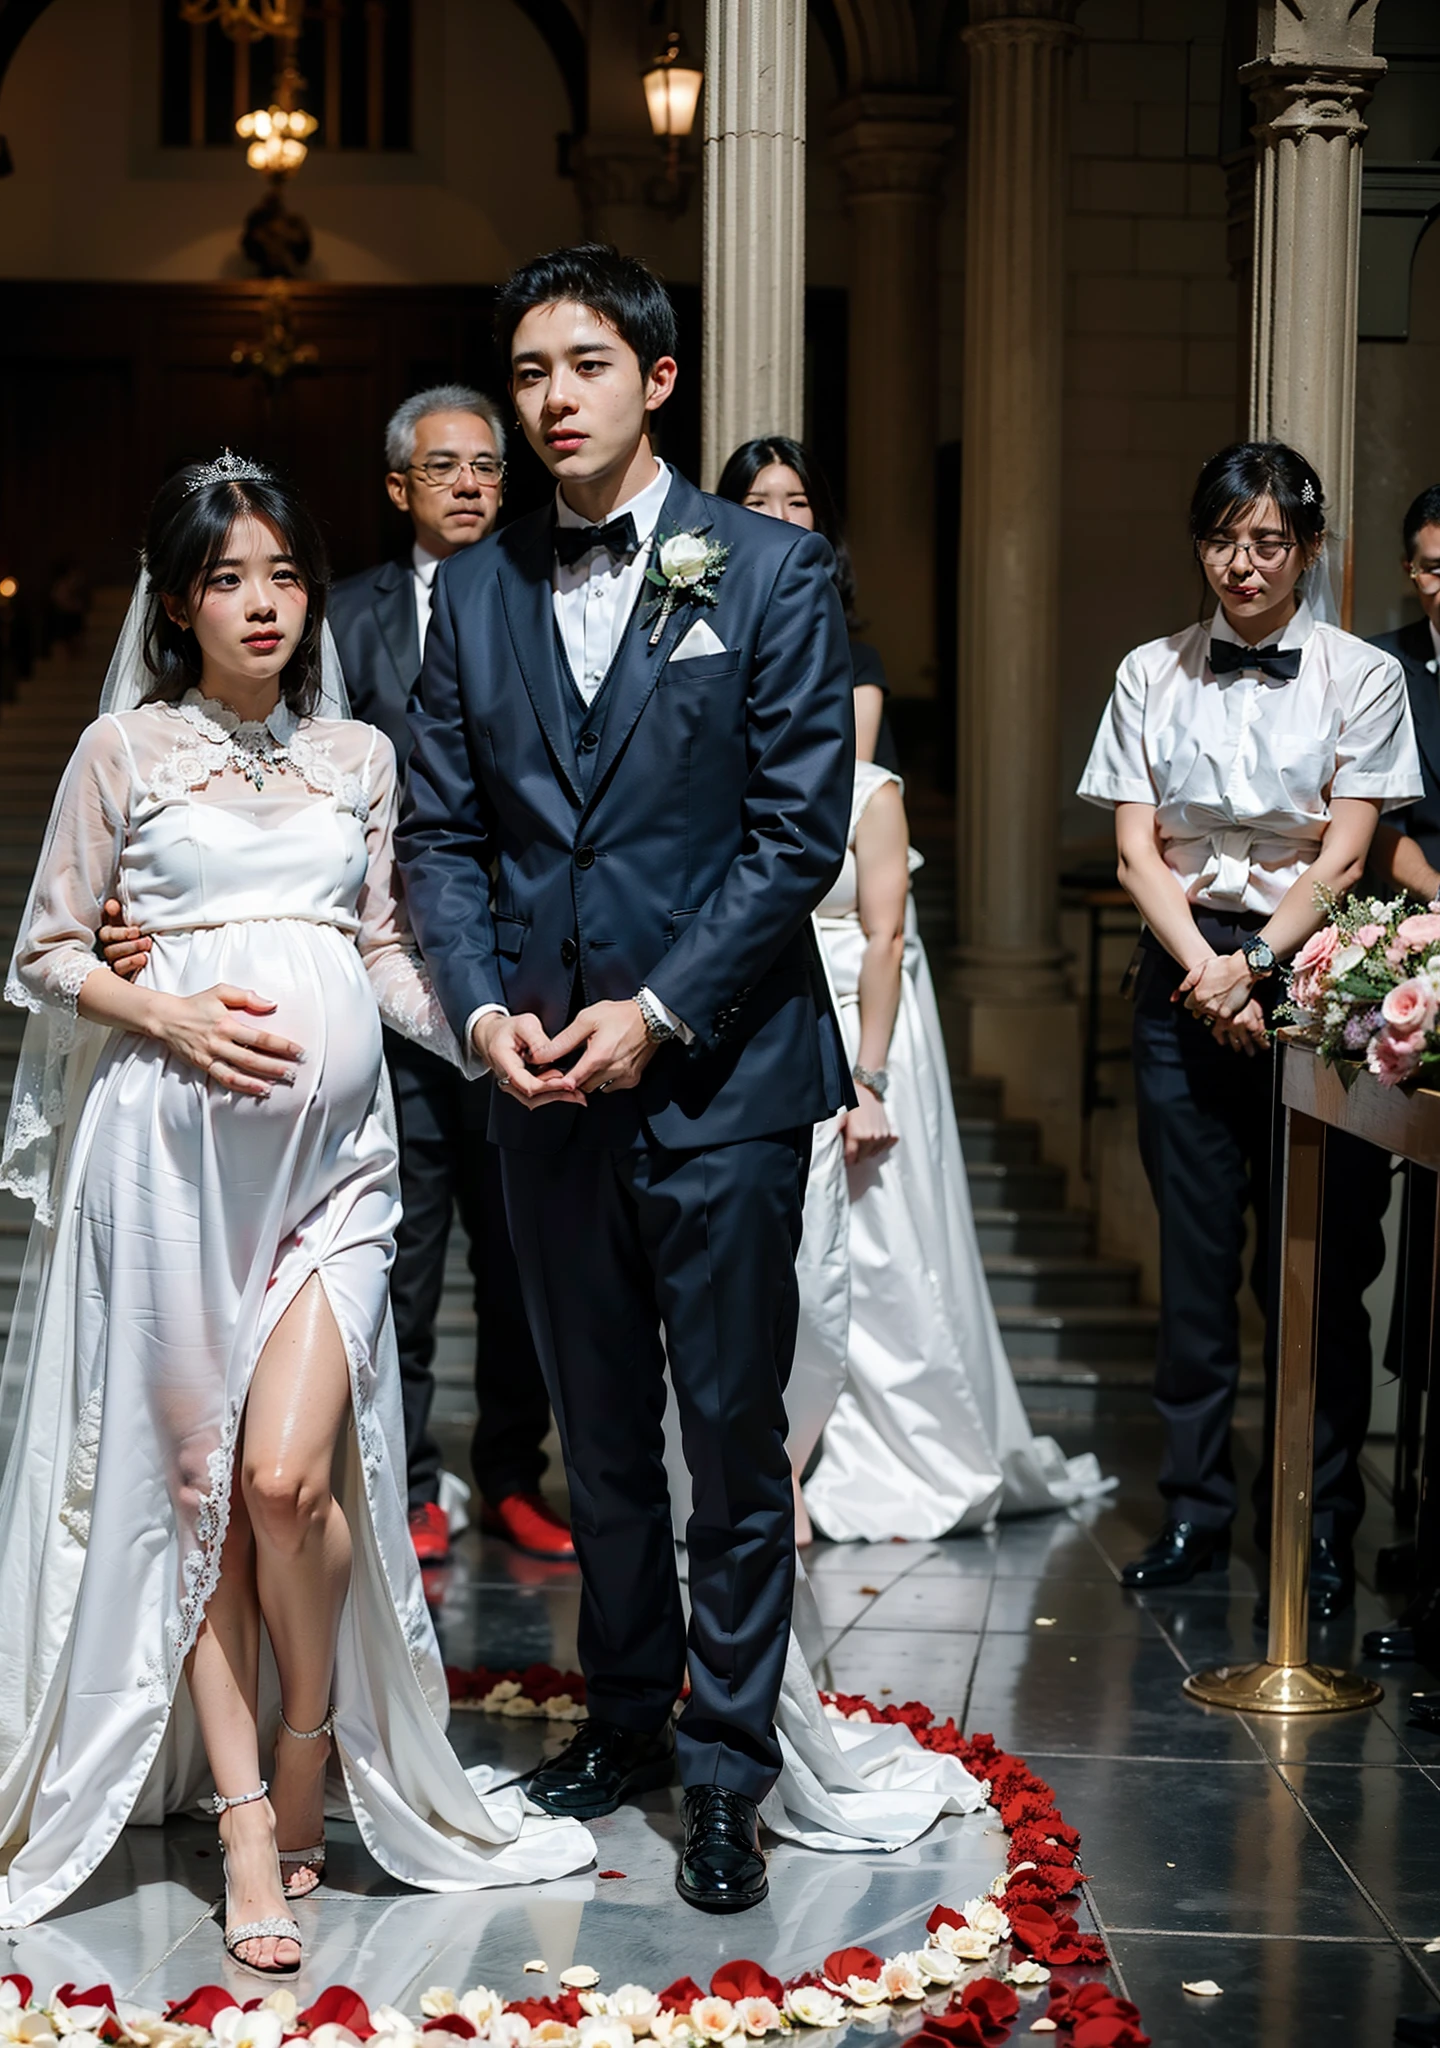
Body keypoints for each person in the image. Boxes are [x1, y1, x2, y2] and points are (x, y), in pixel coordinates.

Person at [0, 456, 600, 1962]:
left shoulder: (361, 756)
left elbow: (375, 948)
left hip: (335, 1169)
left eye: (286, 578)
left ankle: (314, 1743)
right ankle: (247, 1818)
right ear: (179, 604)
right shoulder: (122, 750)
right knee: (200, 1490)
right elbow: (47, 952)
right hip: (167, 1165)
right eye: (230, 581)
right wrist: (169, 1016)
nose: (263, 605)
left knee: (297, 1477)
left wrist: (482, 1035)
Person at [398, 245, 857, 1914]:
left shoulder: (768, 575)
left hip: (721, 1072)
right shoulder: (477, 586)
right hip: (537, 1079)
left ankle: (727, 1766)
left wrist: (657, 1009)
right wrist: (473, 1009)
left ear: (654, 381)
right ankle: (625, 1711)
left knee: (726, 1433)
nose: (550, 399)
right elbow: (442, 833)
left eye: (581, 365)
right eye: (525, 373)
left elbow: (793, 829)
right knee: (592, 1433)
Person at [1076, 440, 1417, 1605]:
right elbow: (1134, 848)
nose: (1241, 561)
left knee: (1319, 1264)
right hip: (1182, 977)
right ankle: (1193, 1512)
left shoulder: (1359, 674)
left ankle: (1317, 1522)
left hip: (1314, 984)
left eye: (1267, 540)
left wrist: (1257, 965)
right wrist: (1209, 970)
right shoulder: (1146, 671)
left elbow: (1346, 847)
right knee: (1195, 1265)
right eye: (1222, 537)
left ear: (1307, 551)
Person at [326, 386, 565, 1566]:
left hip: (519, 977)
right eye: (443, 467)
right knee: (401, 1245)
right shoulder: (340, 617)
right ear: (397, 487)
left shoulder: (544, 596)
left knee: (518, 1243)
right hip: (381, 975)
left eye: (485, 466)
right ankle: (406, 1478)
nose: (470, 484)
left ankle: (514, 1470)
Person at [785, 757, 1111, 1540]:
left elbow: (886, 936)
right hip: (761, 1036)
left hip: (849, 1027)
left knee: (874, 1263)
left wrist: (866, 1079)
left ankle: (848, 1458)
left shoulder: (872, 792)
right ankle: (776, 1463)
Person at [1356, 485, 1440, 1667]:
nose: (1438, 580)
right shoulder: (1388, 671)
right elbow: (1385, 828)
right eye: (1424, 564)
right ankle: (1416, 1544)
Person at [716, 435, 899, 773]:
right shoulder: (710, 646)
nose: (780, 518)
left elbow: (851, 788)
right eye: (757, 503)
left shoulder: (856, 666)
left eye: (797, 503)